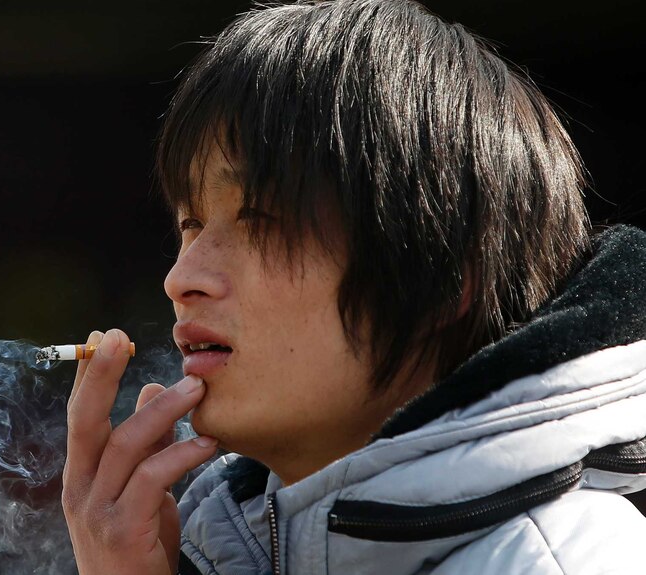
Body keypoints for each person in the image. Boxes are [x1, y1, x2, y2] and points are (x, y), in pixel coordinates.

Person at [62, 0, 646, 573]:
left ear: (440, 275)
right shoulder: (217, 544)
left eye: (260, 219)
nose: (180, 278)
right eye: (191, 224)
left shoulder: (558, 559)